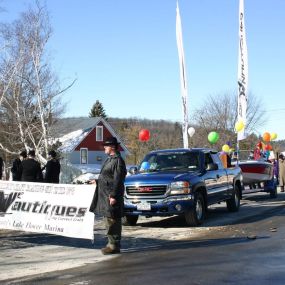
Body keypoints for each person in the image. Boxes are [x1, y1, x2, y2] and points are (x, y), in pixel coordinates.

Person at [89, 137, 127, 255]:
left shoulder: (118, 161)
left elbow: (118, 180)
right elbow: (107, 176)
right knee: (108, 220)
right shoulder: (110, 159)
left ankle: (114, 245)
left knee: (113, 221)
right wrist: (97, 181)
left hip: (111, 195)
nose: (104, 147)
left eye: (106, 146)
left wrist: (113, 196)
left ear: (113, 147)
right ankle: (111, 244)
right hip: (105, 195)